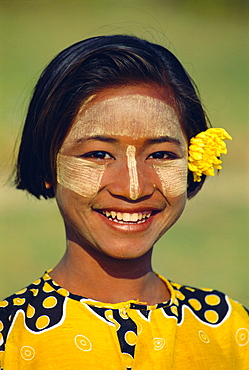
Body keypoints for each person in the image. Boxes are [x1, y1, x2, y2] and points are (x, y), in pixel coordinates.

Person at [0, 35, 248, 369]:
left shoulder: (231, 332)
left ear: (193, 164)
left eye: (161, 154)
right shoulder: (9, 341)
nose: (133, 188)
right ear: (48, 164)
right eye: (98, 154)